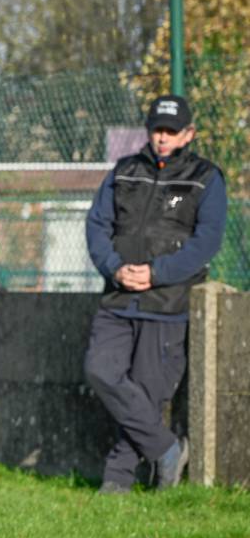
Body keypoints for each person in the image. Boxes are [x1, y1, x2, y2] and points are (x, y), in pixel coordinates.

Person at [85, 94, 225, 494]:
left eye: (171, 131)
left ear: (188, 134)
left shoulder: (206, 177)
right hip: (117, 298)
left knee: (146, 394)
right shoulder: (124, 170)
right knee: (100, 370)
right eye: (157, 130)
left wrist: (157, 273)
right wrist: (114, 267)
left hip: (168, 304)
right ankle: (166, 449)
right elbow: (97, 225)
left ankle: (118, 480)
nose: (162, 138)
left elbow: (207, 241)